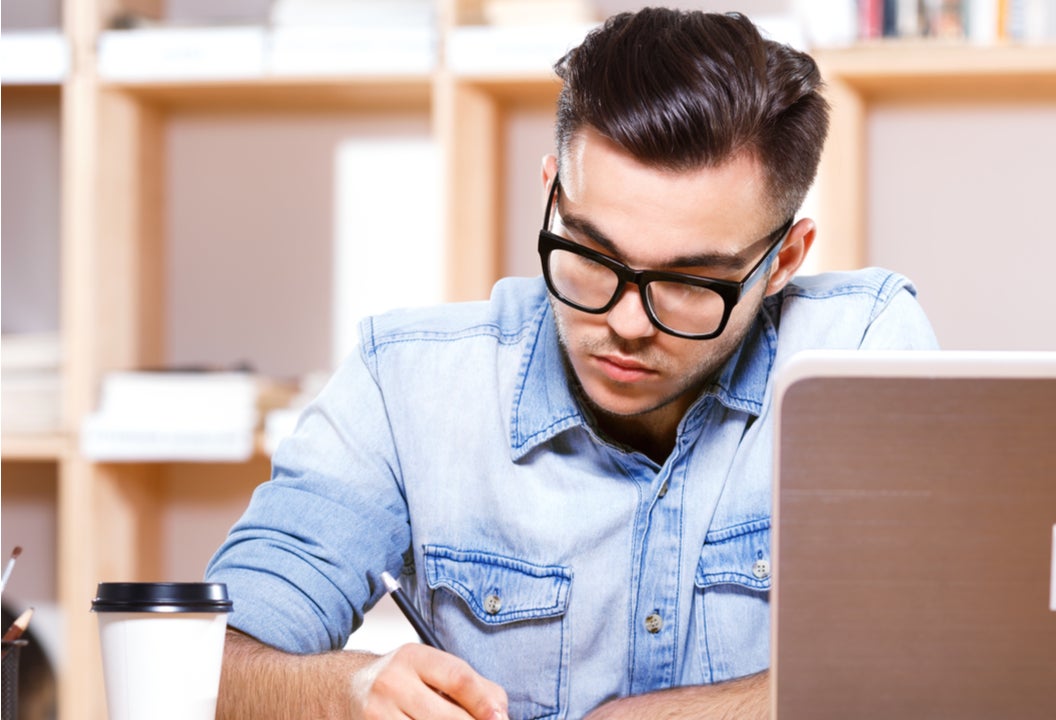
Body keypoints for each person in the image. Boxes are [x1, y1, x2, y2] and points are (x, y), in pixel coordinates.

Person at [206, 7, 938, 719]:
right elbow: (207, 664)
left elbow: (940, 662)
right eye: (591, 254)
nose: (625, 325)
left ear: (783, 261)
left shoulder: (861, 353)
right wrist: (345, 692)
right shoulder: (405, 385)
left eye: (690, 283)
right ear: (553, 194)